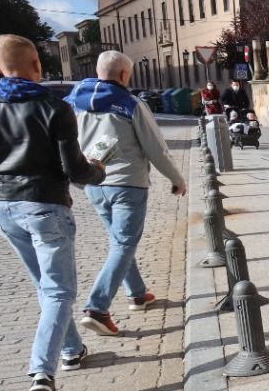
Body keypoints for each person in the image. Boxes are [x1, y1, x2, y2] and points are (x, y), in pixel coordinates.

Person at [0, 34, 105, 391]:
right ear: (37, 64)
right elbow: (74, 169)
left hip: (3, 209)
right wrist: (98, 170)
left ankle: (71, 349)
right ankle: (42, 373)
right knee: (58, 291)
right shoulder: (54, 108)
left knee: (46, 284)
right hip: (45, 206)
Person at [68, 50, 189, 338]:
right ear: (124, 74)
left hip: (94, 184)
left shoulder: (73, 102)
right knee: (123, 244)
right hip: (127, 183)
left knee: (120, 242)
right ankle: (97, 308)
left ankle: (137, 293)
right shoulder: (129, 103)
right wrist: (176, 179)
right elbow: (155, 147)